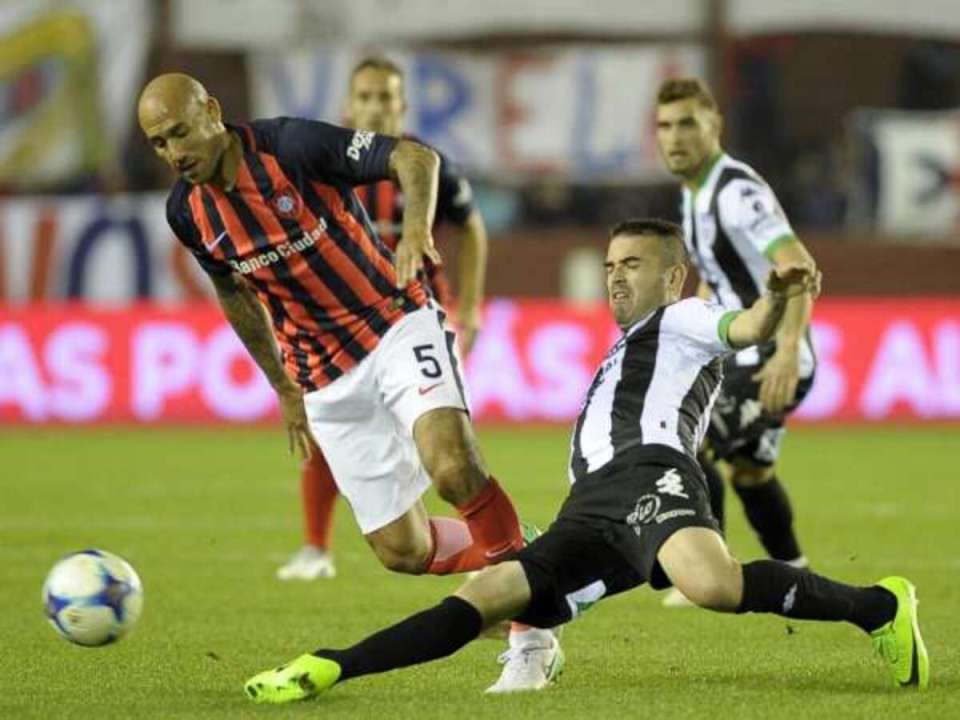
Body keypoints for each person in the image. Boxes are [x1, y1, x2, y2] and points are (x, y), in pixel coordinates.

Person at [243, 219, 928, 705]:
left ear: (673, 275)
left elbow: (746, 327)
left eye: (632, 264)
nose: (616, 277)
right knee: (486, 596)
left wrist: (775, 296)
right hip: (592, 508)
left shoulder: (684, 319)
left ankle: (880, 606)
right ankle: (329, 667)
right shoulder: (624, 345)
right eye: (609, 266)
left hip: (651, 472)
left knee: (711, 585)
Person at [138, 73, 559, 691]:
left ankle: (531, 636)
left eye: (180, 132)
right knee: (403, 550)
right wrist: (283, 386)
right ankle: (525, 550)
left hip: (394, 323)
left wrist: (414, 230)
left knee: (453, 469)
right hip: (323, 376)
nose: (174, 152)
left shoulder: (290, 147)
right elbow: (232, 291)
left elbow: (415, 157)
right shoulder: (187, 212)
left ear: (213, 111)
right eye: (159, 143)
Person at [278, 56, 488, 584]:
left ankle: (494, 548)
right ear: (349, 106)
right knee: (328, 431)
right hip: (344, 331)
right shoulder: (324, 166)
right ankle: (315, 548)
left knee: (444, 448)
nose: (375, 108)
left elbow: (471, 227)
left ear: (402, 105)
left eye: (385, 97)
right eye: (365, 97)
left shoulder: (426, 164)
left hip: (414, 320)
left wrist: (469, 306)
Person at [654, 78, 817, 607]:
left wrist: (788, 351)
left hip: (769, 357)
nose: (674, 136)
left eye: (687, 123)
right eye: (664, 126)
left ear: (715, 125)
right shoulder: (693, 193)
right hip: (738, 354)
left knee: (687, 443)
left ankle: (707, 569)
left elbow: (797, 266)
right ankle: (797, 573)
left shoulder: (736, 193)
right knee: (751, 474)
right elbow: (716, 280)